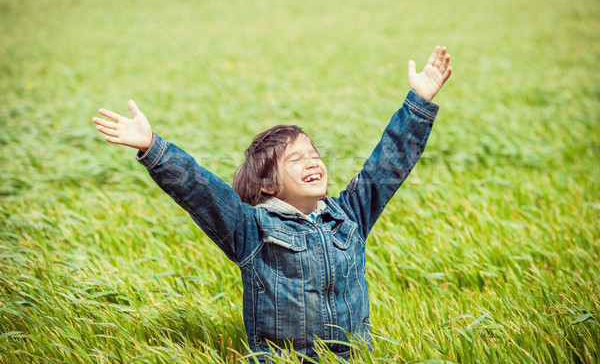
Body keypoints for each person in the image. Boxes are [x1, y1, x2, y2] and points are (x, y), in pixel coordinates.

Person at [92, 46, 452, 362]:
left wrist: (418, 102)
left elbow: (388, 163)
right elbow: (201, 190)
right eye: (295, 160)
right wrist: (153, 147)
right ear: (269, 184)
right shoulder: (253, 231)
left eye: (313, 154)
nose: (312, 162)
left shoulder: (349, 215)